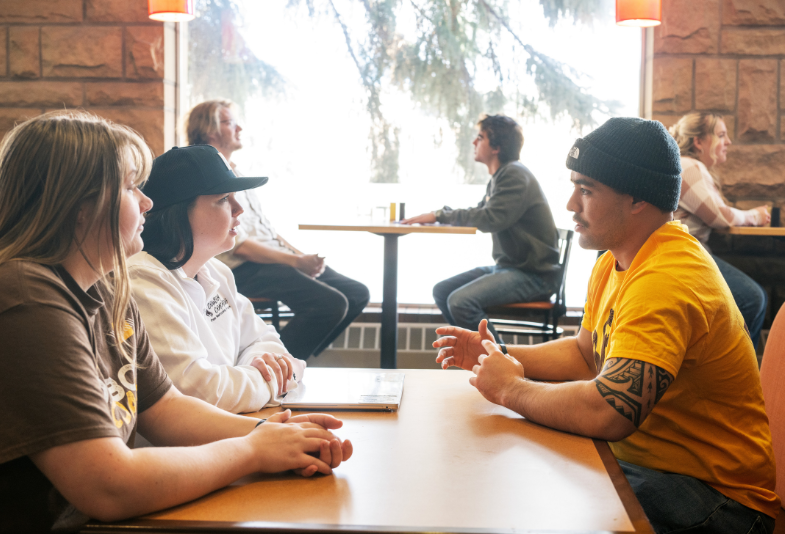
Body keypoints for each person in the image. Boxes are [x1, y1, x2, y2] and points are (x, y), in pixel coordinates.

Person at [0, 111, 352, 533]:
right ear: (79, 205)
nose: (148, 201)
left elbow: (165, 409)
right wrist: (252, 450)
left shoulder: (108, 287)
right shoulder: (27, 297)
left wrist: (272, 431)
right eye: (132, 188)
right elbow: (108, 486)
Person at [433, 117, 778, 533]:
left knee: (540, 501)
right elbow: (585, 354)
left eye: (586, 190)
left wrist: (510, 388)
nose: (570, 205)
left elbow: (609, 410)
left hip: (723, 500)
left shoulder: (667, 278)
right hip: (655, 468)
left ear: (636, 200)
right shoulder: (615, 260)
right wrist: (501, 355)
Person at [185, 100, 370, 360]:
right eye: (230, 122)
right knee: (329, 304)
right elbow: (240, 244)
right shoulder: (205, 174)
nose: (240, 128)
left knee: (357, 293)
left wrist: (301, 256)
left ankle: (295, 359)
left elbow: (267, 230)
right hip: (244, 265)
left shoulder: (236, 170)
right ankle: (278, 367)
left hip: (271, 256)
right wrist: (295, 261)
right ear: (209, 130)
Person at [129, 145, 306, 414]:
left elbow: (265, 339)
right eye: (224, 199)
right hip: (183, 452)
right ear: (178, 213)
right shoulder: (143, 280)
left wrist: (257, 368)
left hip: (233, 433)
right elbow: (199, 391)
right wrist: (268, 381)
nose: (238, 209)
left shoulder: (216, 271)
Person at [402, 114, 559, 341]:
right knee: (442, 291)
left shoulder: (514, 174)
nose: (474, 143)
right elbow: (480, 211)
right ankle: (476, 356)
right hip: (511, 267)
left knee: (460, 301)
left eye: (480, 137)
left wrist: (439, 215)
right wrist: (439, 215)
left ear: (496, 146)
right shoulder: (502, 176)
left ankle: (502, 363)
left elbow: (490, 218)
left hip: (533, 275)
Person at [670, 112, 770, 348]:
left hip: (689, 252)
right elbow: (721, 217)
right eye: (721, 135)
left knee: (751, 298)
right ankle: (736, 376)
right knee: (752, 299)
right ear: (699, 141)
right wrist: (756, 216)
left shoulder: (688, 165)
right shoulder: (689, 166)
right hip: (684, 255)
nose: (728, 142)